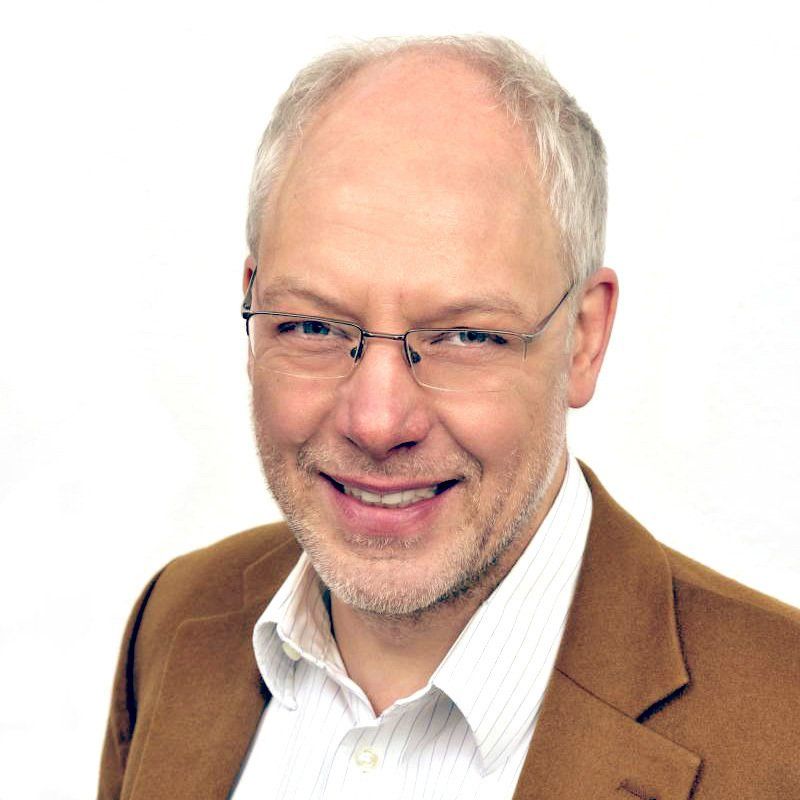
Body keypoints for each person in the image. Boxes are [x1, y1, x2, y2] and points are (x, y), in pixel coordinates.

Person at [98, 36, 800, 800]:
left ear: (584, 339)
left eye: (465, 336)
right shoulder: (173, 622)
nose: (376, 421)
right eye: (313, 326)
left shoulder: (784, 722)